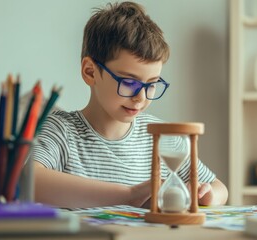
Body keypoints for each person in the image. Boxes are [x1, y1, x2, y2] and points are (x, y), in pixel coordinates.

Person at [32, 1, 228, 209]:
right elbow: (30, 182)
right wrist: (129, 196)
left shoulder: (161, 136)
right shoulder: (61, 131)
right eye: (129, 83)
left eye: (151, 85)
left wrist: (207, 195)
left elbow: (219, 188)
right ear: (90, 72)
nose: (141, 97)